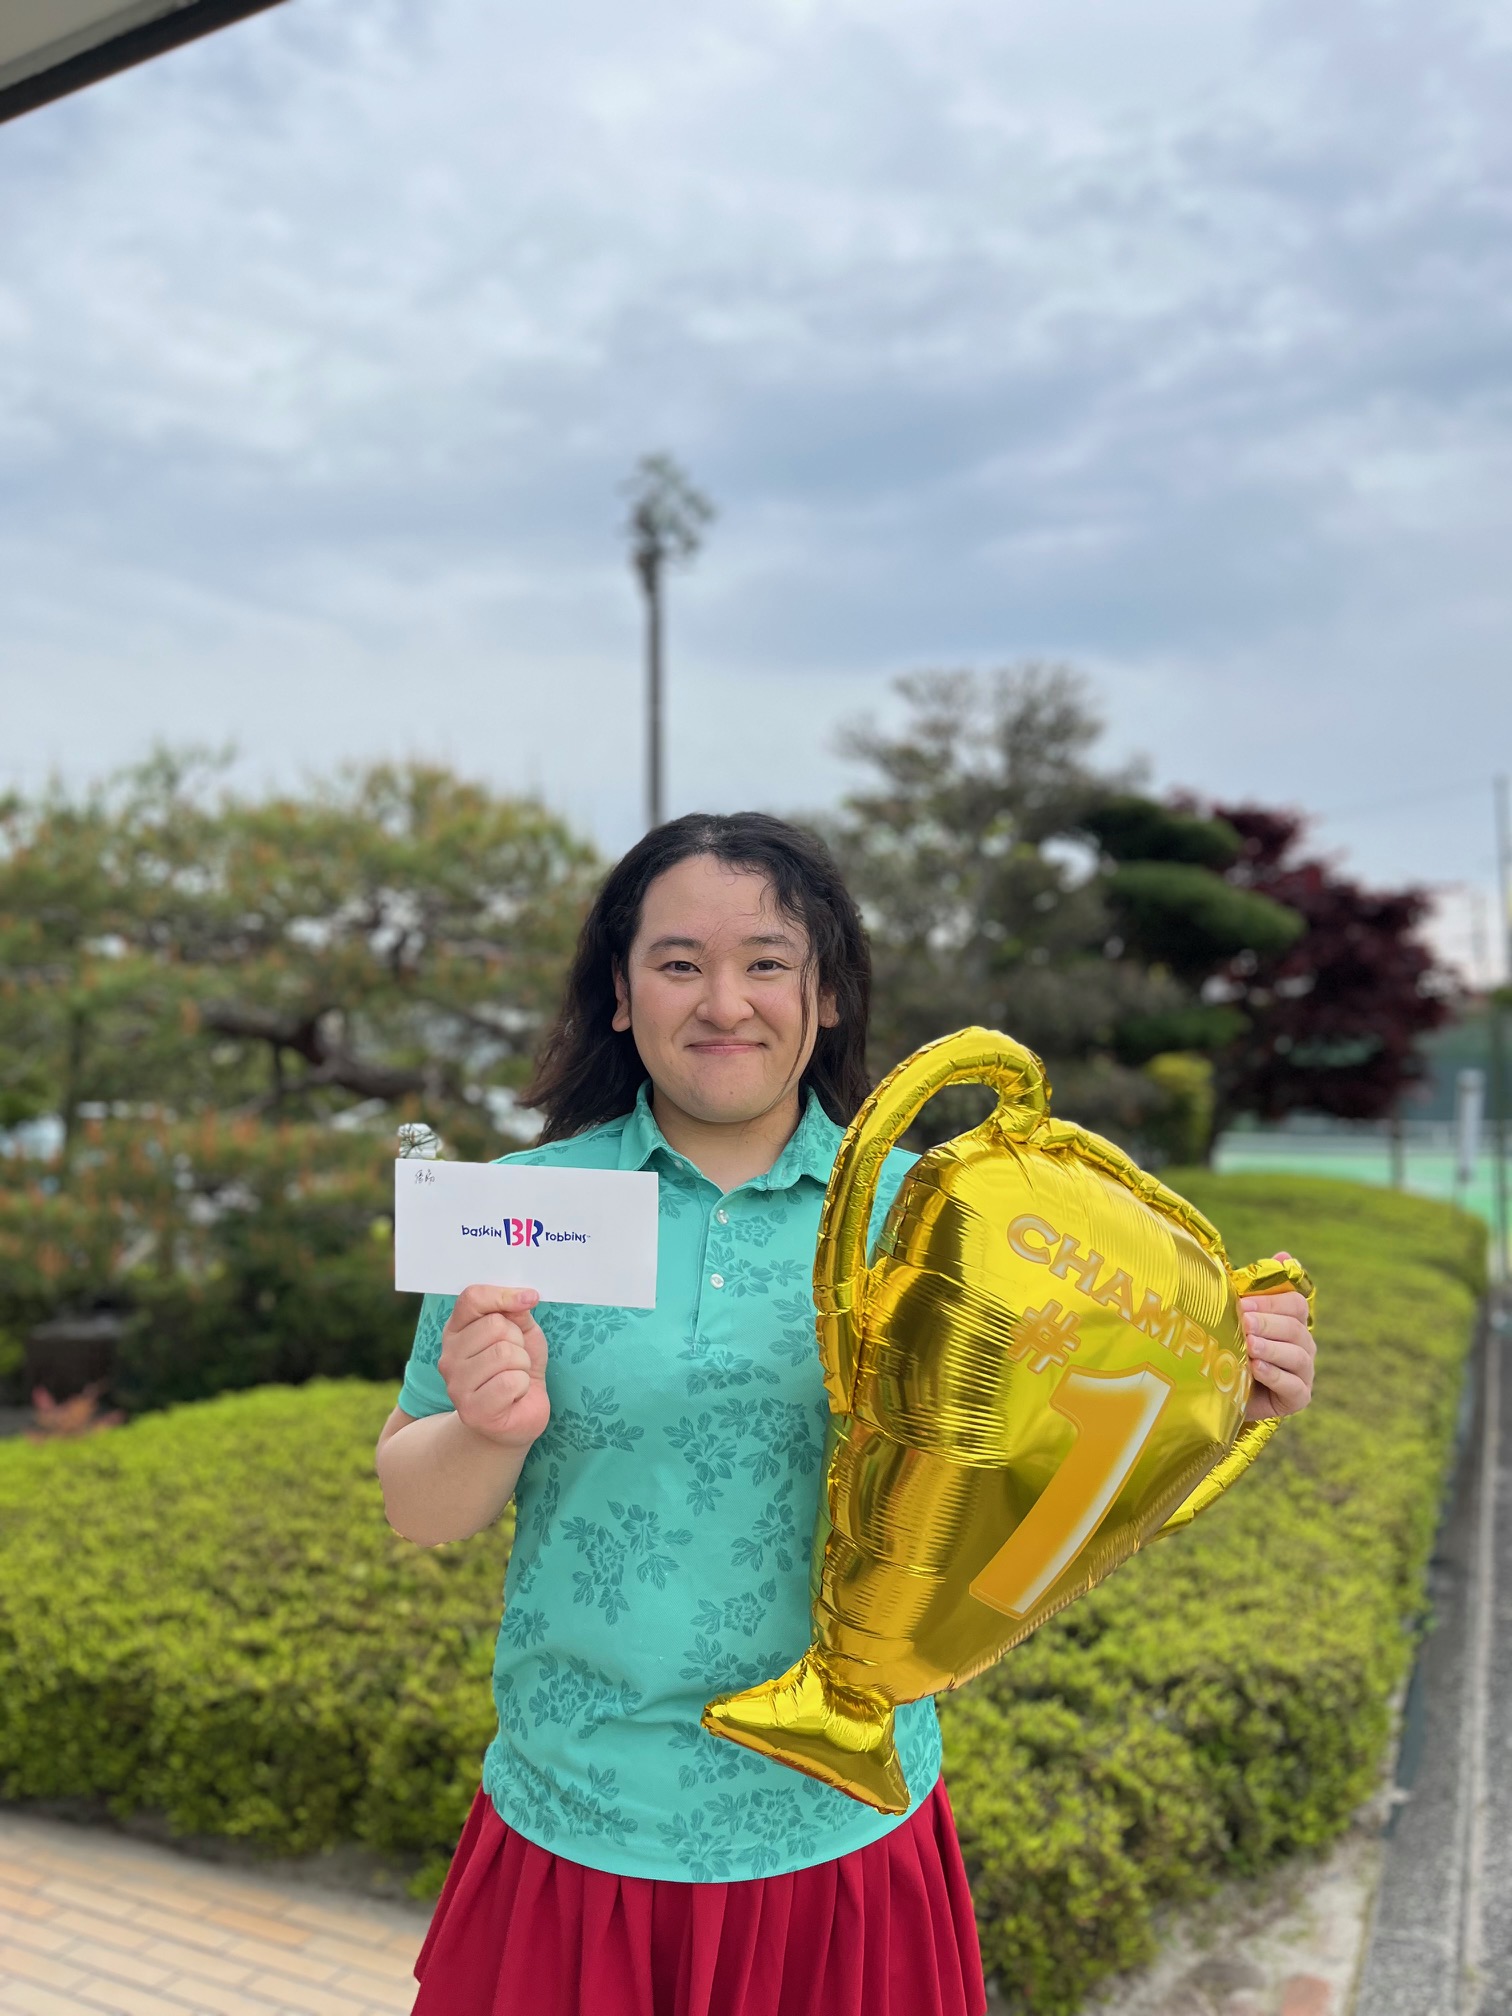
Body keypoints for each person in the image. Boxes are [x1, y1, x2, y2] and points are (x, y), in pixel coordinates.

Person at [375, 813, 1318, 2016]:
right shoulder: (521, 1209)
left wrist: (1220, 1379)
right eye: (678, 963)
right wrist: (488, 1426)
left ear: (826, 996)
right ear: (619, 993)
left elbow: (1057, 1465)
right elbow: (419, 1508)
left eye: (767, 962)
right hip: (575, 1824)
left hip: (839, 1836)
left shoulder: (943, 1219)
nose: (724, 1001)